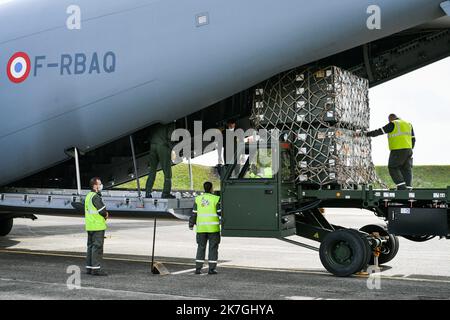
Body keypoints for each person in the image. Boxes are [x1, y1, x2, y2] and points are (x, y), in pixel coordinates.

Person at [360, 114, 415, 190]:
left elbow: (379, 131)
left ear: (391, 119)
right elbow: (413, 139)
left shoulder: (394, 124)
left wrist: (366, 133)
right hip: (408, 150)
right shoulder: (408, 124)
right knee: (406, 168)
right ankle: (408, 187)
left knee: (393, 167)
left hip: (397, 149)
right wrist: (410, 148)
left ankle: (401, 186)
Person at [189, 182, 221, 275]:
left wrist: (191, 224)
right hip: (213, 229)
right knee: (213, 248)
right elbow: (220, 212)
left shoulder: (198, 199)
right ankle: (211, 269)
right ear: (211, 188)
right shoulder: (215, 199)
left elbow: (194, 213)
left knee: (201, 248)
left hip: (201, 228)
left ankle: (198, 269)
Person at [85, 177, 109, 276]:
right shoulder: (95, 197)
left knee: (90, 247)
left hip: (90, 226)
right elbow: (102, 211)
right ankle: (96, 269)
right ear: (95, 186)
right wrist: (106, 214)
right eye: (99, 184)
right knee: (97, 247)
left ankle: (89, 268)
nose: (101, 185)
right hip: (97, 226)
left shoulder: (88, 196)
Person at [145, 123, 176, 199]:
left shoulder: (156, 121)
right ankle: (165, 193)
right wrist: (172, 148)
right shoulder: (170, 122)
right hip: (163, 146)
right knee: (167, 172)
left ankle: (147, 192)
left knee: (152, 171)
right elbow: (170, 136)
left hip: (153, 146)